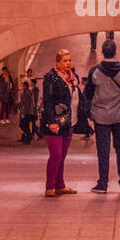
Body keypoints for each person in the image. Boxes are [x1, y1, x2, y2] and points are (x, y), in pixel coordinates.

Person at [87, 38, 120, 194]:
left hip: (101, 116)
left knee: (103, 150)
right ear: (115, 52)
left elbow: (88, 94)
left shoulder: (94, 71)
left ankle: (103, 183)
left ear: (102, 52)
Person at [41, 49, 80, 197]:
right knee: (56, 154)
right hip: (54, 122)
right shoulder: (51, 78)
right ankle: (49, 187)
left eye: (69, 60)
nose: (68, 63)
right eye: (64, 61)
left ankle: (60, 185)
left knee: (62, 155)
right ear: (57, 63)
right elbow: (47, 101)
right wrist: (51, 122)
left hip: (68, 121)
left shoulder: (72, 78)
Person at [18, 78, 37, 144]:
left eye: (23, 85)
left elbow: (27, 103)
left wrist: (23, 112)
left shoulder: (27, 93)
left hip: (28, 112)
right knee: (24, 124)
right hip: (27, 112)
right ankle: (28, 136)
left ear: (25, 86)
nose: (22, 87)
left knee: (23, 124)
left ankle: (29, 136)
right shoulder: (24, 93)